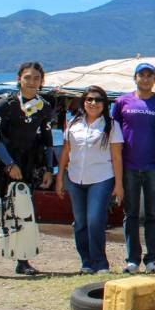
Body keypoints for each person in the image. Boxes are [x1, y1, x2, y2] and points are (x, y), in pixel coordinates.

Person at [0, 61, 55, 280]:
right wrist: (9, 164)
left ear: (41, 81)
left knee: (22, 211)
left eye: (36, 78)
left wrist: (49, 169)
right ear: (20, 79)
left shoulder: (44, 107)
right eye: (27, 77)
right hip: (2, 164)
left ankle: (23, 260)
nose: (32, 82)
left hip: (26, 165)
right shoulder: (5, 104)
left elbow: (47, 139)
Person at [113, 62, 155, 274]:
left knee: (153, 214)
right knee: (130, 214)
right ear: (135, 78)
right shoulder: (122, 102)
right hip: (129, 165)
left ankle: (151, 260)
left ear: (154, 79)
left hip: (154, 166)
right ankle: (132, 259)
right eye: (142, 75)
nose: (145, 79)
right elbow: (114, 132)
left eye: (150, 75)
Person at [56, 85, 124, 274]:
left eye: (98, 100)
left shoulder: (111, 125)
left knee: (95, 220)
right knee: (80, 222)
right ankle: (86, 261)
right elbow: (66, 152)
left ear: (105, 103)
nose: (93, 103)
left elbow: (117, 156)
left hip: (101, 178)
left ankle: (100, 262)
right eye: (89, 100)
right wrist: (59, 178)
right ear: (83, 102)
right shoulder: (73, 124)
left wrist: (119, 185)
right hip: (75, 178)